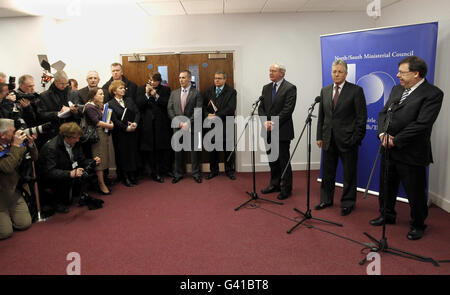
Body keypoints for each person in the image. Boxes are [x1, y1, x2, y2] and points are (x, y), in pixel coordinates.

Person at [370, 56, 443, 240]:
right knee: (386, 186)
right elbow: (382, 114)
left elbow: (422, 124)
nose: (398, 75)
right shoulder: (396, 89)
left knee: (415, 192)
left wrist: (397, 140)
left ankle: (418, 224)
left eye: (402, 72)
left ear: (416, 73)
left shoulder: (432, 94)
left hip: (412, 152)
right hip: (388, 149)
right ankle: (387, 215)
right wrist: (382, 134)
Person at [315, 59, 367, 216]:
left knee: (349, 174)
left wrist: (355, 139)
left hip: (348, 140)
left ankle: (348, 202)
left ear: (346, 73)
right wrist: (319, 136)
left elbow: (361, 118)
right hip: (328, 139)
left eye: (340, 71)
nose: (336, 74)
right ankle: (326, 199)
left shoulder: (356, 91)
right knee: (327, 172)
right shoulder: (325, 91)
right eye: (334, 71)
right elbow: (321, 117)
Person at [38, 122, 102, 214]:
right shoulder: (51, 148)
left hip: (67, 169)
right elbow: (49, 172)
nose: (78, 140)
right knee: (65, 200)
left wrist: (92, 162)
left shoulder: (76, 143)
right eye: (75, 138)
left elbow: (81, 160)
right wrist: (70, 173)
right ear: (66, 137)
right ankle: (55, 201)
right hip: (52, 179)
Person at [258, 63, 297, 200]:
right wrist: (264, 121)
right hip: (267, 130)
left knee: (283, 160)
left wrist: (273, 123)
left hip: (282, 130)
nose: (270, 73)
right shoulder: (266, 88)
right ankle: (274, 184)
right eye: (269, 71)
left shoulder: (290, 88)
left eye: (273, 71)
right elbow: (261, 107)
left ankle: (286, 188)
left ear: (282, 73)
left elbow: (288, 110)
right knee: (272, 159)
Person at [0, 119, 37, 240]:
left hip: (13, 191)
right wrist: (15, 146)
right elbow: (7, 167)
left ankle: (8, 217)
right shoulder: (14, 145)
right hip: (1, 195)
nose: (16, 133)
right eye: (12, 131)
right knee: (5, 233)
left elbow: (34, 157)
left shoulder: (13, 144)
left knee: (24, 224)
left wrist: (31, 145)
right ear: (2, 135)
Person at [167, 70, 203, 184]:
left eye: (183, 77)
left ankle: (196, 173)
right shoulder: (174, 93)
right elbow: (170, 109)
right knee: (178, 151)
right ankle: (178, 173)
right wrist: (179, 123)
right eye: (179, 78)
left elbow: (198, 110)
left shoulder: (196, 93)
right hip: (178, 126)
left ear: (189, 79)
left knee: (194, 151)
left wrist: (188, 122)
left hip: (192, 126)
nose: (181, 80)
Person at [136, 72, 172, 183]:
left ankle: (165, 170)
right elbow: (139, 104)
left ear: (159, 81)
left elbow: (167, 104)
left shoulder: (165, 89)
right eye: (150, 80)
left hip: (161, 124)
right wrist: (147, 94)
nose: (152, 82)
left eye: (155, 81)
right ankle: (154, 172)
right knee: (151, 150)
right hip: (147, 125)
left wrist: (156, 95)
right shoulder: (141, 89)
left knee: (163, 148)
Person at [203, 71, 237, 180]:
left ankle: (229, 170)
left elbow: (231, 108)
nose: (217, 80)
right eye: (215, 78)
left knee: (228, 149)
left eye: (219, 78)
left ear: (225, 79)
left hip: (226, 123)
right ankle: (214, 171)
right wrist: (207, 115)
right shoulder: (208, 91)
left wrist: (216, 115)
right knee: (212, 149)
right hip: (212, 124)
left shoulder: (231, 92)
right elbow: (203, 106)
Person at [36, 71, 82, 146]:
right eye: (62, 84)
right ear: (55, 82)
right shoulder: (44, 96)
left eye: (66, 83)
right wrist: (57, 113)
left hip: (72, 130)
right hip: (54, 131)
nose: (64, 86)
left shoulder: (74, 93)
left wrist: (76, 111)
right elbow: (41, 115)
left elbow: (81, 111)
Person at [83, 87, 115, 195]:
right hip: (97, 135)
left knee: (104, 158)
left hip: (103, 134)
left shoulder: (98, 106)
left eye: (103, 94)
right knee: (99, 160)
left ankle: (102, 181)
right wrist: (110, 125)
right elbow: (97, 122)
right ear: (93, 96)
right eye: (100, 94)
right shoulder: (89, 107)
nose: (103, 96)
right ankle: (101, 184)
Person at [108, 80, 140, 187]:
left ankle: (132, 175)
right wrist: (126, 128)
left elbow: (137, 112)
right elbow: (115, 120)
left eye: (124, 88)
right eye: (120, 88)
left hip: (132, 131)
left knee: (132, 153)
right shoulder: (110, 104)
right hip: (120, 134)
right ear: (114, 91)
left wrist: (135, 123)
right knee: (123, 155)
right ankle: (124, 176)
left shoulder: (129, 100)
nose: (123, 90)